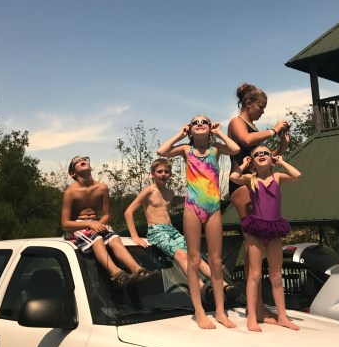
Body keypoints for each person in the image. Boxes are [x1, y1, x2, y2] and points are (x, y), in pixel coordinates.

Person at [157, 116, 240, 329]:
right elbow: (162, 151)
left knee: (216, 262)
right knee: (193, 261)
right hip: (192, 208)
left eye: (205, 121)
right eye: (195, 122)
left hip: (213, 208)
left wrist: (219, 133)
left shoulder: (216, 149)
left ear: (210, 128)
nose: (200, 123)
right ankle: (199, 311)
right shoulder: (186, 150)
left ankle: (220, 311)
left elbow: (236, 149)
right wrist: (180, 134)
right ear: (191, 130)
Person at [124, 157, 239, 301]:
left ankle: (225, 286)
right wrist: (135, 236)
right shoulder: (149, 191)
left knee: (195, 257)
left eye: (166, 171)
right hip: (156, 231)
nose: (163, 174)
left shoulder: (170, 193)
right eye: (159, 171)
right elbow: (128, 212)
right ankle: (203, 289)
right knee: (181, 256)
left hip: (171, 230)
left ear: (170, 174)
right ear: (152, 174)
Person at [227, 83, 290, 323]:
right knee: (252, 243)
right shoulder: (237, 123)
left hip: (258, 185)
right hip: (242, 184)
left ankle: (258, 305)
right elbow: (245, 139)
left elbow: (268, 158)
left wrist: (283, 142)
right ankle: (257, 308)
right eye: (261, 107)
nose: (263, 111)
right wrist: (272, 131)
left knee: (260, 245)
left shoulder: (255, 128)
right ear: (249, 104)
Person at [230, 145, 302, 331]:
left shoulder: (277, 177)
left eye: (265, 153)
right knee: (254, 274)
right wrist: (244, 164)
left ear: (272, 159)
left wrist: (282, 161)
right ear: (253, 162)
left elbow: (297, 175)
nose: (261, 155)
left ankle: (283, 317)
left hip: (274, 230)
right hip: (256, 230)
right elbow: (234, 177)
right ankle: (252, 317)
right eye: (256, 154)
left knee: (276, 275)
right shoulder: (251, 179)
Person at [61, 155, 151, 287]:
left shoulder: (102, 188)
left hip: (97, 223)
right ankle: (117, 274)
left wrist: (99, 224)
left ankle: (138, 270)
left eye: (84, 159)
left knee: (115, 239)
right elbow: (65, 224)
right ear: (72, 173)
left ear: (90, 167)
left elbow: (106, 215)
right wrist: (90, 224)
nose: (81, 161)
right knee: (97, 240)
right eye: (76, 161)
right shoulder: (70, 192)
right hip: (77, 227)